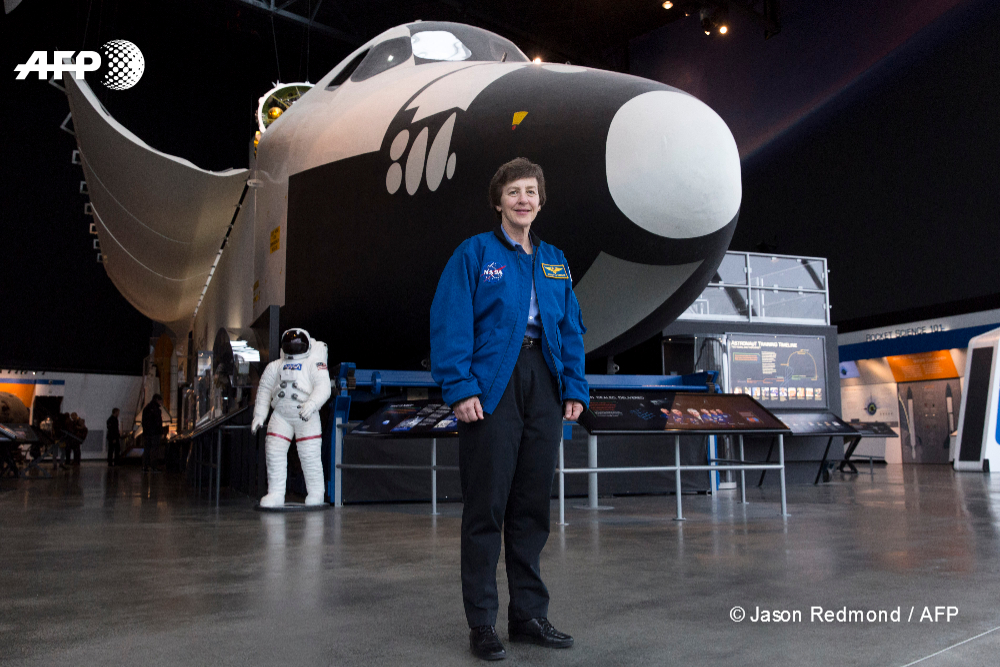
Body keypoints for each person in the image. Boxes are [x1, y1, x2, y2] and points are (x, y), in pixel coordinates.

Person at [430, 158, 589, 661]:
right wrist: (460, 387)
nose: (524, 199)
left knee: (531, 508)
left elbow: (570, 328)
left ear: (540, 202)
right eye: (514, 191)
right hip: (492, 385)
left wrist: (575, 387)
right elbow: (451, 319)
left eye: (531, 192)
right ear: (498, 200)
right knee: (486, 508)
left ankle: (528, 616)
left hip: (544, 381)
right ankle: (482, 623)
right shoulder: (474, 253)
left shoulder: (555, 260)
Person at [251, 328, 331, 507]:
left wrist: (312, 404)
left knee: (310, 456)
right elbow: (264, 389)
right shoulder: (275, 366)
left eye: (298, 342)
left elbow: (323, 387)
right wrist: (260, 414)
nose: (294, 345)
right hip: (281, 416)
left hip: (306, 415)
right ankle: (275, 493)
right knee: (274, 452)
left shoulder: (314, 363)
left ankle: (316, 493)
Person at [142, 394, 165, 473]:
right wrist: (161, 431)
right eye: (160, 401)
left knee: (147, 449)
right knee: (154, 450)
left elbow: (144, 422)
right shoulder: (156, 410)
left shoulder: (146, 409)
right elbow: (158, 422)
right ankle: (153, 466)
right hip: (155, 433)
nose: (161, 402)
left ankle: (145, 466)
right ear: (157, 400)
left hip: (147, 433)